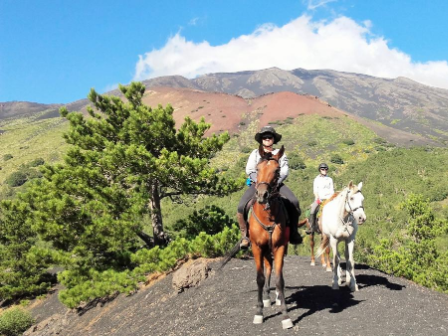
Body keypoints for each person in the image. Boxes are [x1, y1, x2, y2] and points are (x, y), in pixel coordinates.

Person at [237, 126, 302, 249]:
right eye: (264, 137)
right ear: (261, 140)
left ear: (273, 139)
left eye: (269, 137)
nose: (267, 139)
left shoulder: (280, 154)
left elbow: (284, 171)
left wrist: (275, 183)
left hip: (276, 184)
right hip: (258, 184)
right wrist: (260, 182)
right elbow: (250, 169)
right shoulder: (255, 153)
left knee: (294, 202)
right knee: (241, 207)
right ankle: (245, 236)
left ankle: (293, 233)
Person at [306, 162, 334, 234]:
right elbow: (315, 191)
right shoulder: (316, 179)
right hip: (320, 199)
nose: (324, 170)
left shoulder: (330, 179)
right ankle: (312, 228)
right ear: (320, 170)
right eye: (322, 169)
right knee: (312, 211)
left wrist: (331, 199)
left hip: (329, 199)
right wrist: (317, 198)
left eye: (325, 169)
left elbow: (332, 191)